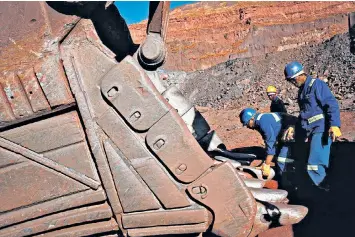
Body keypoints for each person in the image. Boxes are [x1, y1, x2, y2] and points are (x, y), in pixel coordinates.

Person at [284, 61, 342, 190]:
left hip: (321, 129)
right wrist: (293, 127)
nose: (292, 83)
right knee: (307, 160)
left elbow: (331, 104)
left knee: (314, 164)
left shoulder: (316, 85)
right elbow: (304, 114)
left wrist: (334, 125)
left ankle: (322, 189)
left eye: (292, 80)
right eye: (290, 81)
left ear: (300, 75)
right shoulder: (302, 92)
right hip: (310, 131)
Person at [239, 108, 295, 179]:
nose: (247, 126)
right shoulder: (261, 119)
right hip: (285, 132)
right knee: (278, 155)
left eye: (247, 123)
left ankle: (287, 182)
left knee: (282, 159)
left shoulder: (263, 122)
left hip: (292, 130)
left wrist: (267, 164)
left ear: (252, 119)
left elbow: (271, 143)